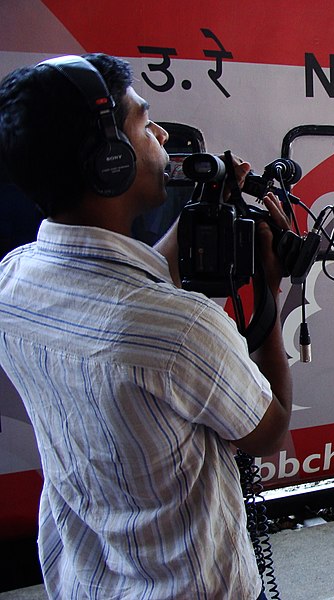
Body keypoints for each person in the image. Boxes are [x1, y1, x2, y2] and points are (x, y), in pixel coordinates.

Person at [0, 53, 292, 599]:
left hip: (89, 581)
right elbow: (271, 431)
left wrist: (189, 226)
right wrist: (269, 290)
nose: (160, 134)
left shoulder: (13, 283)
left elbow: (122, 287)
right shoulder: (183, 331)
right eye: (143, 121)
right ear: (108, 161)